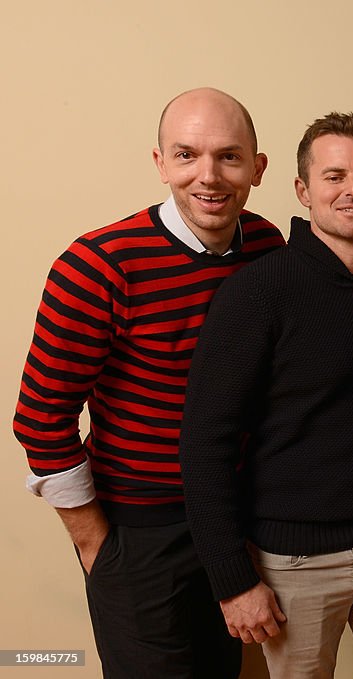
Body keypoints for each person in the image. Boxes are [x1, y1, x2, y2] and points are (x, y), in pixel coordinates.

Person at [12, 87, 284, 678]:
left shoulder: (268, 248)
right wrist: (97, 546)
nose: (208, 176)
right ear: (160, 163)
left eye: (229, 157)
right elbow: (39, 418)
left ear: (258, 168)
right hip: (138, 533)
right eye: (187, 155)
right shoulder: (98, 266)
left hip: (235, 528)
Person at [178, 112, 353, 679]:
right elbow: (204, 444)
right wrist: (233, 581)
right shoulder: (257, 293)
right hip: (292, 560)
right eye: (335, 176)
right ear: (302, 190)